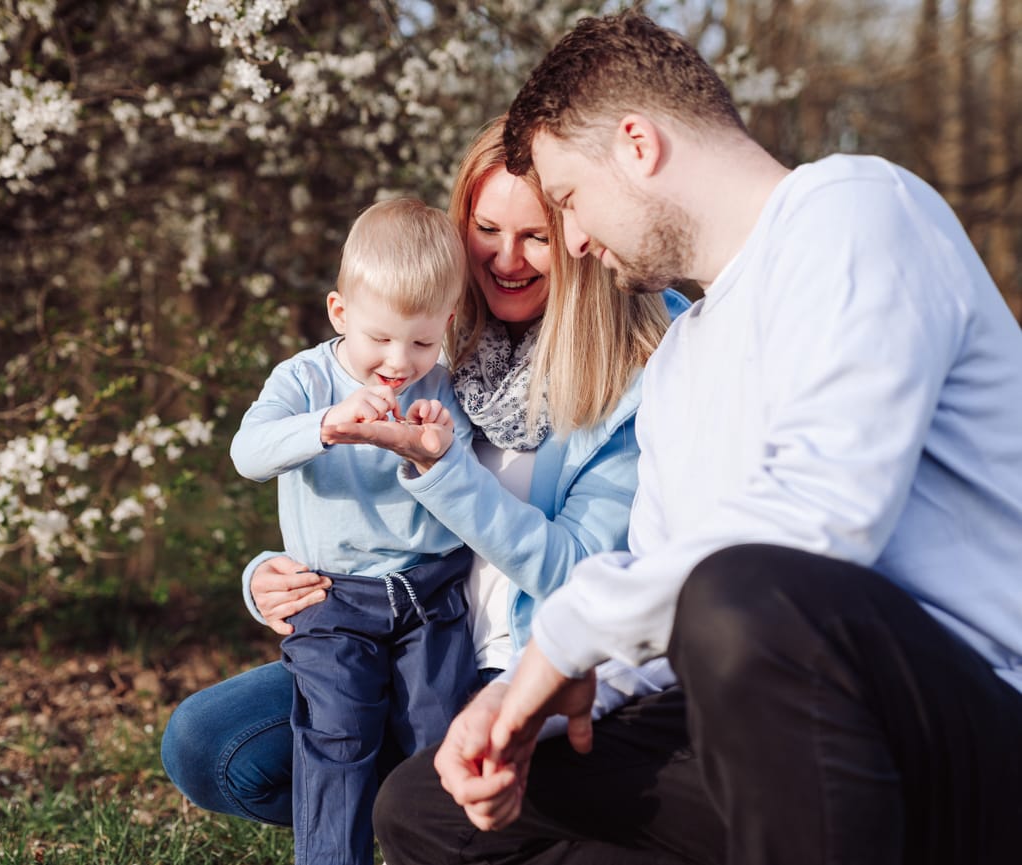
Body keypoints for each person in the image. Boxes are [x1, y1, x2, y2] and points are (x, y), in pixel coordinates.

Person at [373, 11, 1022, 865]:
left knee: (745, 593)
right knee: (425, 805)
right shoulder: (679, 361)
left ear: (638, 144)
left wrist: (567, 630)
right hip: (772, 746)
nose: (569, 241)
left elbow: (822, 521)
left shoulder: (856, 213)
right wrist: (547, 699)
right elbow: (661, 592)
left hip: (969, 737)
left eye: (567, 200)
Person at [160, 118, 688, 851]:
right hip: (377, 618)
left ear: (580, 231)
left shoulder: (628, 366)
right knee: (208, 742)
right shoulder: (426, 328)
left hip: (513, 659)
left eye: (535, 235)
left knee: (413, 783)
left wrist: (444, 472)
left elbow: (575, 570)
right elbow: (332, 476)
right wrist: (269, 577)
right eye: (487, 228)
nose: (507, 259)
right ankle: (399, 801)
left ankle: (449, 811)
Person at [230, 196, 480, 865]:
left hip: (431, 592)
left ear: (447, 326)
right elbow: (247, 453)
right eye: (380, 338)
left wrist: (439, 448)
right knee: (336, 737)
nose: (400, 360)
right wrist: (326, 427)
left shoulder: (445, 385)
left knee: (439, 728)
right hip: (333, 597)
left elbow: (475, 487)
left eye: (424, 341)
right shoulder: (306, 380)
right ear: (341, 313)